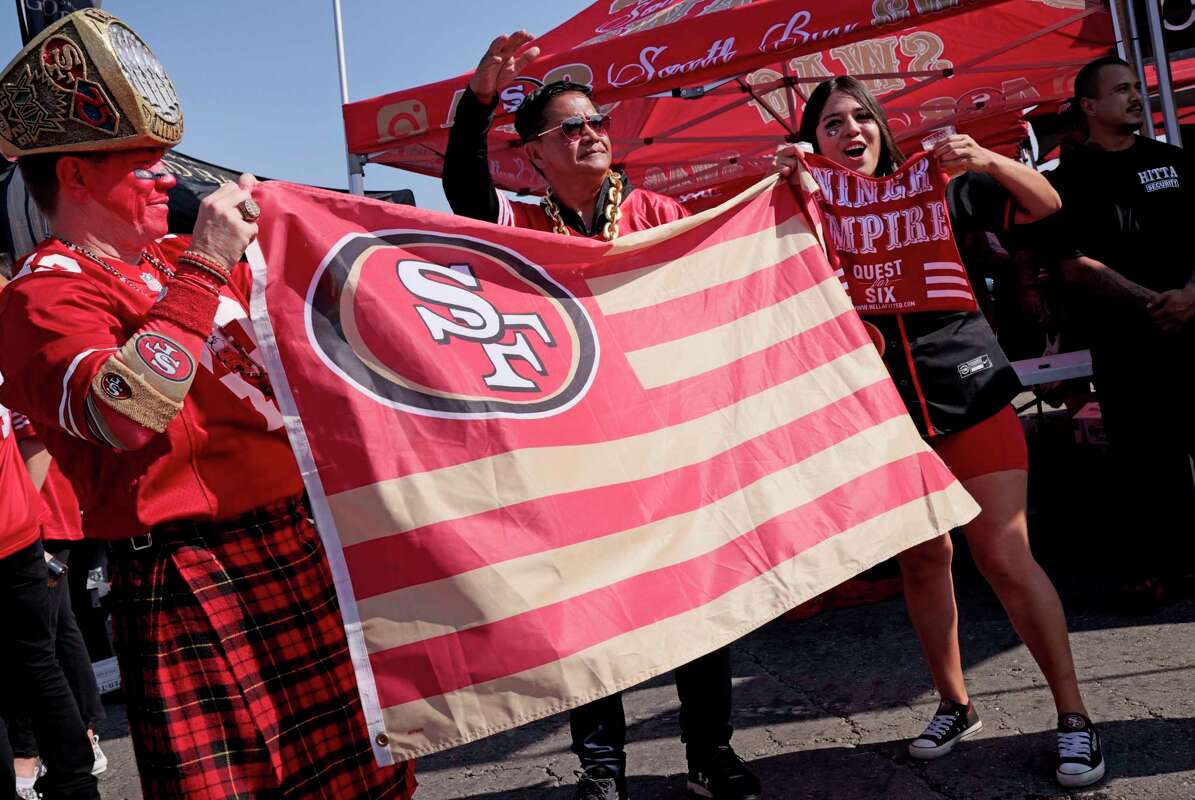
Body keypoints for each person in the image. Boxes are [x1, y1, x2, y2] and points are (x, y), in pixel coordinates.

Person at [0, 10, 415, 798]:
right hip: (193, 574)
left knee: (362, 780)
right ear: (79, 177)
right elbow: (122, 412)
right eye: (143, 163)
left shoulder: (175, 259)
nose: (167, 178)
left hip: (293, 546)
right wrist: (208, 263)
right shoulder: (43, 293)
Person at [443, 31, 760, 800]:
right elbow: (463, 192)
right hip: (574, 449)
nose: (591, 136)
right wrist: (479, 100)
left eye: (597, 124)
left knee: (698, 601)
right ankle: (603, 768)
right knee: (588, 611)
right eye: (571, 129)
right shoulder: (519, 223)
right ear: (533, 156)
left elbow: (717, 286)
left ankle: (709, 752)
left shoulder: (657, 209)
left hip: (669, 434)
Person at [776, 76, 1105, 789]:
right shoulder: (809, 204)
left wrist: (986, 159)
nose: (850, 130)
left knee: (1006, 558)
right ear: (817, 139)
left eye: (861, 116)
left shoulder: (941, 183)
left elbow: (1046, 204)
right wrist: (782, 184)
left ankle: (1075, 717)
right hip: (880, 410)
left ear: (881, 128)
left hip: (972, 391)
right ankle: (955, 704)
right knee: (923, 563)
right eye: (832, 124)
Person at [1039, 56, 1195, 608]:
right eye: (1122, 90)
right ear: (1089, 106)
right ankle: (1159, 567)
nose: (1136, 97)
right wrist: (1152, 301)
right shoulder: (1065, 182)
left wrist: (1192, 295)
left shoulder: (1176, 162)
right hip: (1126, 343)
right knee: (1146, 458)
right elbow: (1070, 263)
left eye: (1138, 88)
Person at [0, 400, 99, 800]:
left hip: (25, 531)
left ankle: (66, 765)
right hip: (22, 531)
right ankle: (73, 776)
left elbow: (34, 438)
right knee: (42, 658)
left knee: (44, 655)